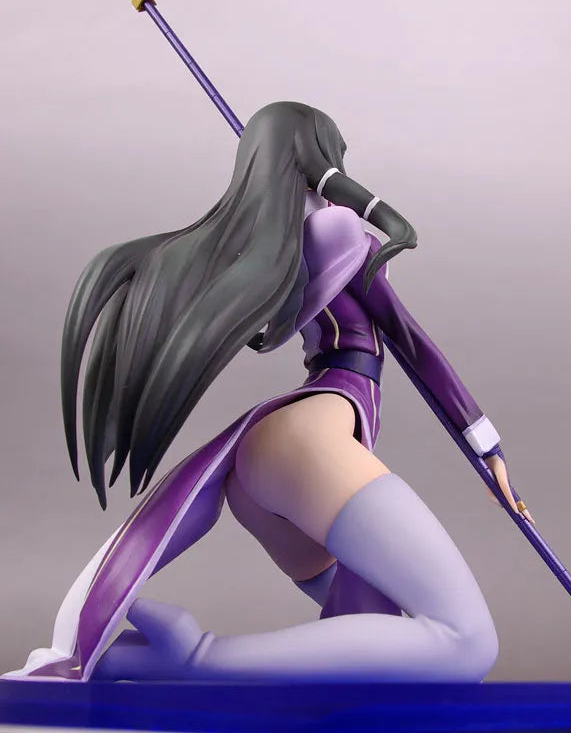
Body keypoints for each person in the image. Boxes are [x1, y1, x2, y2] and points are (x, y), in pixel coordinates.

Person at [3, 101, 520, 683]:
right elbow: (413, 343)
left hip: (274, 459)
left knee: (376, 627)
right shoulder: (342, 235)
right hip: (310, 442)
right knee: (465, 642)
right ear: (319, 157)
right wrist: (486, 445)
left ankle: (130, 662)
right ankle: (198, 656)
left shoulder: (279, 244)